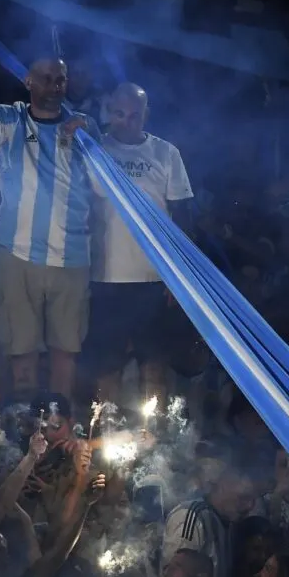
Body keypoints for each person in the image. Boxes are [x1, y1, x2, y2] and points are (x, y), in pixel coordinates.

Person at [0, 23, 94, 399]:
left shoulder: (83, 130)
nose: (55, 85)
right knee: (20, 352)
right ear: (28, 81)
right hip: (18, 254)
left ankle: (59, 430)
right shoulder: (11, 121)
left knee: (65, 353)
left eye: (61, 79)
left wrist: (87, 141)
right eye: (46, 78)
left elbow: (105, 187)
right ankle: (23, 425)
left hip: (71, 257)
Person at [89, 82, 196, 404]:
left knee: (155, 365)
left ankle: (157, 443)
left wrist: (179, 276)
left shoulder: (166, 153)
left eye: (134, 115)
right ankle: (103, 435)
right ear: (109, 112)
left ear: (146, 115)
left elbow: (183, 216)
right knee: (107, 365)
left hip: (154, 278)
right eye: (119, 114)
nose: (126, 121)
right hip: (106, 276)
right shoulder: (94, 150)